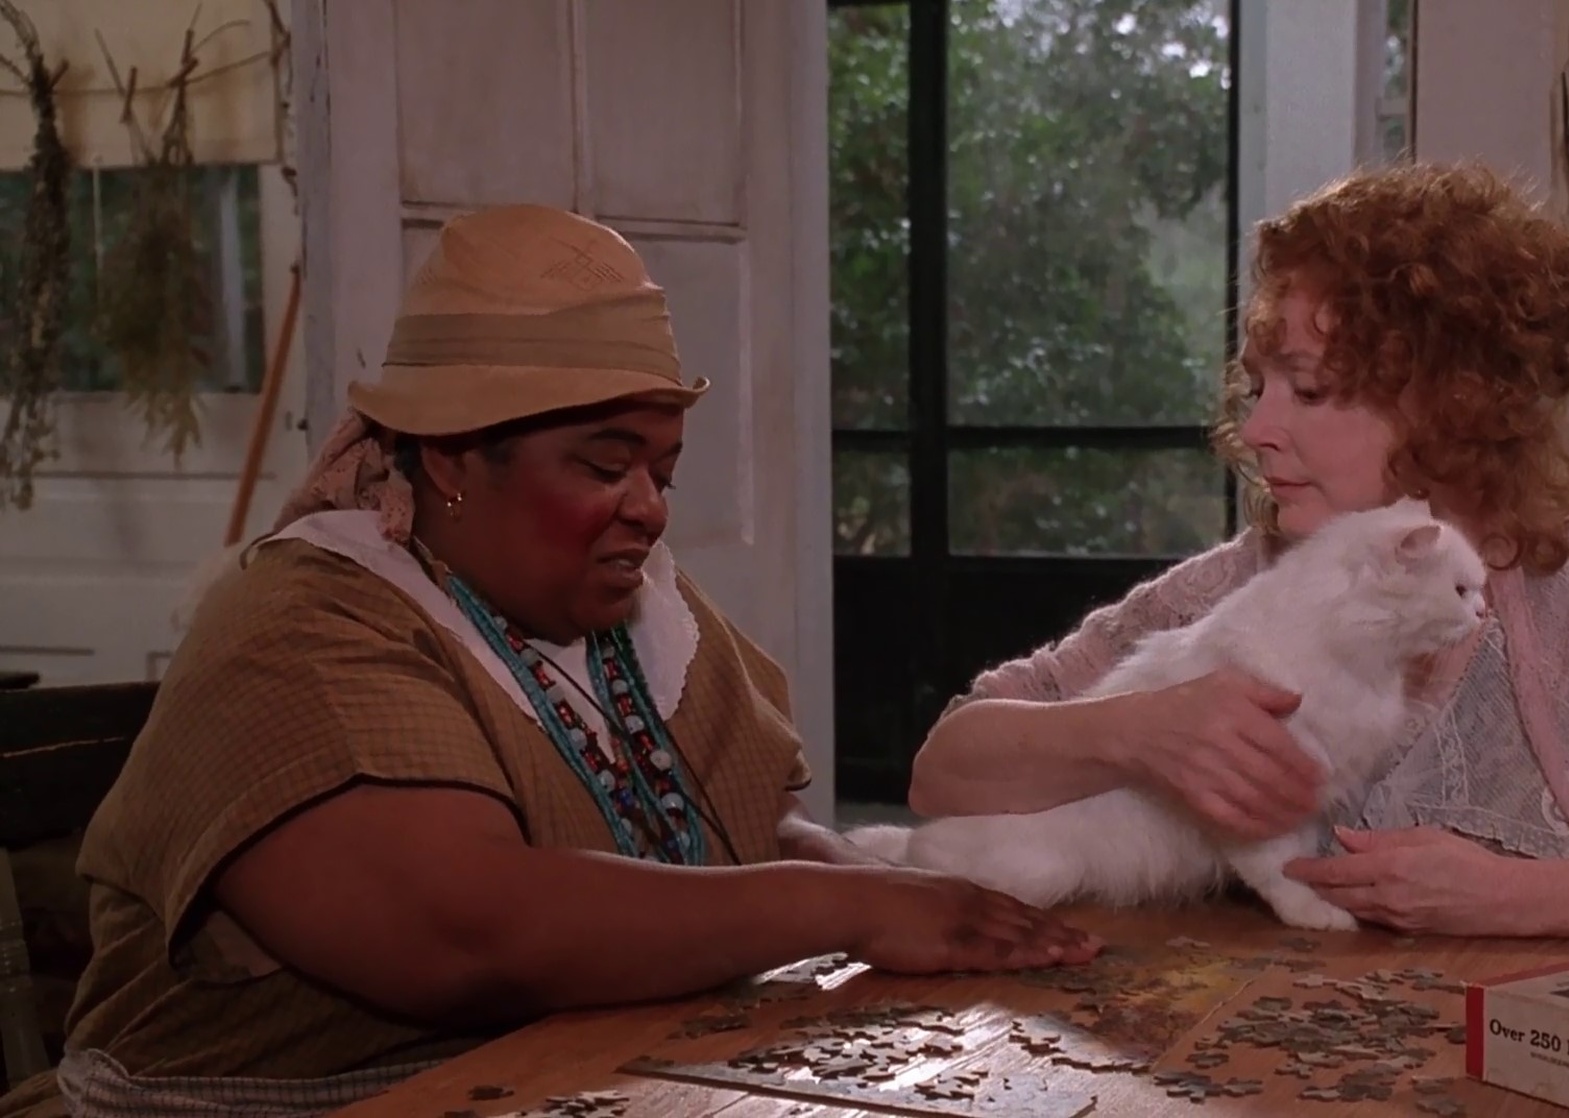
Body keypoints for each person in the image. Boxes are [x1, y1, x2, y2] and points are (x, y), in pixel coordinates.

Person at [0, 205, 1096, 1118]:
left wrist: (890, 884)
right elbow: (466, 932)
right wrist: (840, 905)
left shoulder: (632, 611)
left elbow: (747, 829)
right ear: (451, 457)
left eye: (663, 470)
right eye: (605, 465)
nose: (649, 509)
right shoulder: (303, 626)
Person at [906, 163, 1569, 945]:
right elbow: (943, 774)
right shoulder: (1231, 591)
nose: (1256, 430)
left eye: (1308, 389)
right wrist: (1135, 730)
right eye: (1258, 386)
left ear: (1456, 399)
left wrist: (1516, 897)